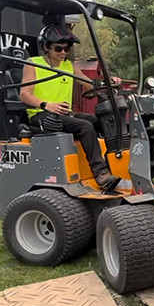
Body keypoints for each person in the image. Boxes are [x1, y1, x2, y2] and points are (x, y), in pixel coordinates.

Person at [19, 24, 120, 189]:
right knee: (85, 126)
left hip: (65, 114)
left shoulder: (69, 66)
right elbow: (24, 94)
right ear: (46, 47)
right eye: (59, 48)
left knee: (101, 120)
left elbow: (90, 86)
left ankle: (115, 163)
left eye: (67, 48)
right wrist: (46, 105)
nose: (63, 53)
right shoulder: (33, 64)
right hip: (42, 114)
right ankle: (101, 174)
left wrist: (110, 82)